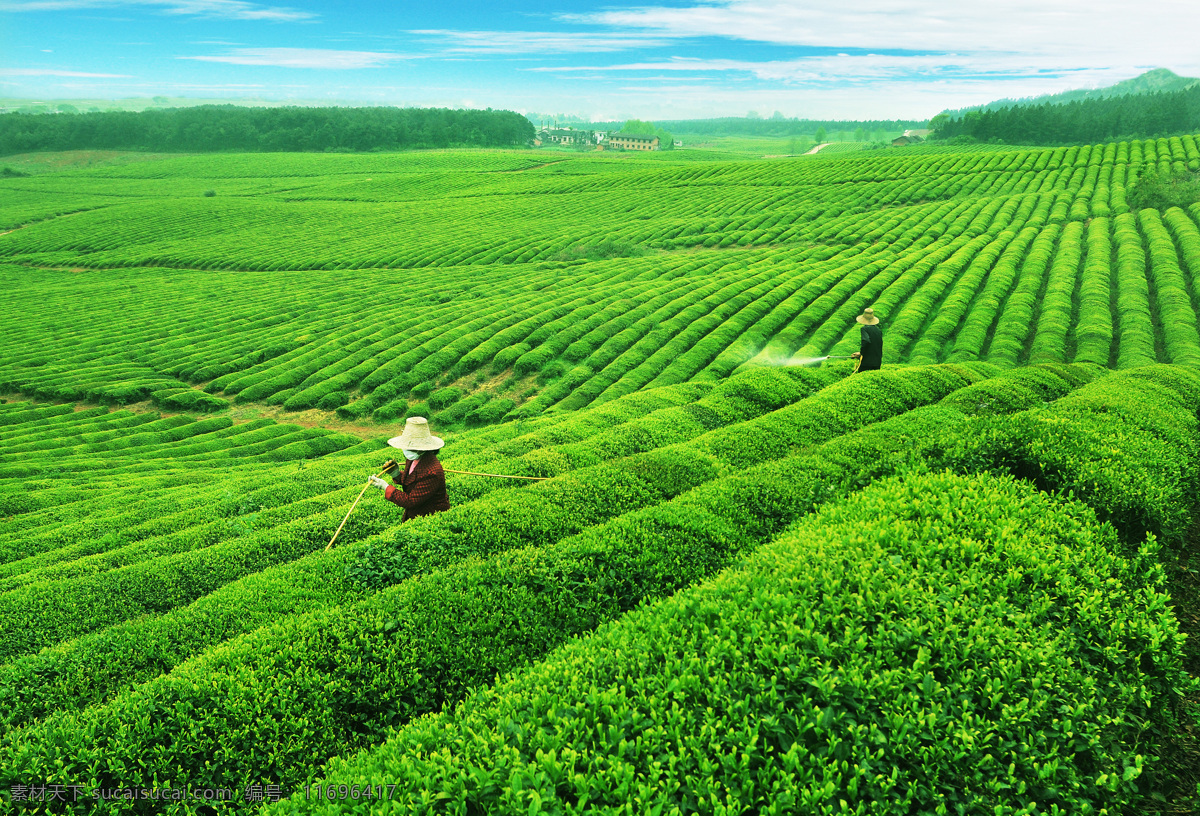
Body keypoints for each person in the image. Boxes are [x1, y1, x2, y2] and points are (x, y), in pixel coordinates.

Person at [368, 416, 450, 521]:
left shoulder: (432, 472)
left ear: (421, 448)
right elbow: (414, 480)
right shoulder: (414, 458)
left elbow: (410, 500)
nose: (406, 450)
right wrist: (396, 475)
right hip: (415, 513)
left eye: (409, 446)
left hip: (430, 517)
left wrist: (385, 487)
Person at [850, 307, 883, 372]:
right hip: (877, 362)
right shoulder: (878, 330)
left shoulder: (864, 329)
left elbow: (866, 340)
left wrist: (861, 353)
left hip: (867, 362)